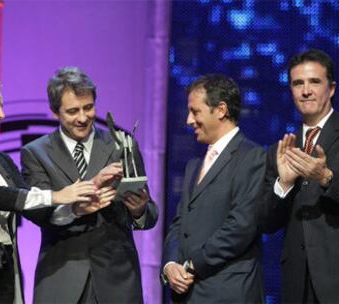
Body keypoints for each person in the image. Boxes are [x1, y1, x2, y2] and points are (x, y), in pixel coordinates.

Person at [0, 76, 114, 303]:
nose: (2, 115)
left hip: (0, 267)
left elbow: (34, 209)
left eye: (1, 106)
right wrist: (56, 195)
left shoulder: (2, 161)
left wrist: (76, 209)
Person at [20, 66, 158, 303]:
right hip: (61, 277)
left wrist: (138, 210)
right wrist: (74, 209)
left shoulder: (122, 144)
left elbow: (150, 214)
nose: (83, 117)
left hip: (117, 279)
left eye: (89, 107)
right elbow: (37, 212)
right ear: (55, 112)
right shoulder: (36, 153)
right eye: (72, 111)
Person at [162, 74, 265, 303]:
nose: (189, 120)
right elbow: (179, 224)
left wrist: (192, 265)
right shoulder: (193, 166)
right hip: (187, 293)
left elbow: (241, 226)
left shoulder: (252, 157)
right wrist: (170, 265)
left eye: (195, 112)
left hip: (227, 292)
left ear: (220, 110)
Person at [259, 49, 339, 303]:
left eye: (315, 82)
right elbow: (268, 223)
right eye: (298, 83)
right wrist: (283, 183)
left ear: (332, 88)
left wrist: (327, 178)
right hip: (296, 282)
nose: (306, 91)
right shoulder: (283, 149)